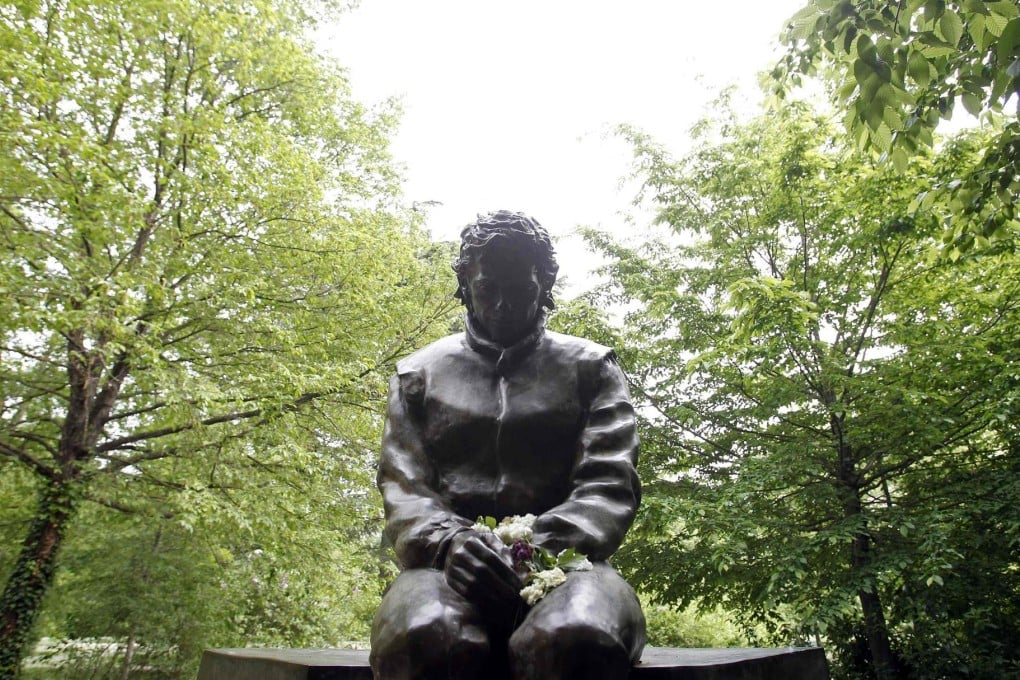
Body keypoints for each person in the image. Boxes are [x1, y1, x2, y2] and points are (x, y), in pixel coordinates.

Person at [369, 210, 645, 680]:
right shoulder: (417, 377)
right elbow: (405, 491)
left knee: (573, 637)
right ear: (465, 284)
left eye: (519, 290)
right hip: (442, 570)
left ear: (546, 281)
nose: (502, 304)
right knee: (423, 636)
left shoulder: (591, 369)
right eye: (486, 289)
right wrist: (452, 544)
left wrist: (527, 551)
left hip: (571, 566)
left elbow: (608, 485)